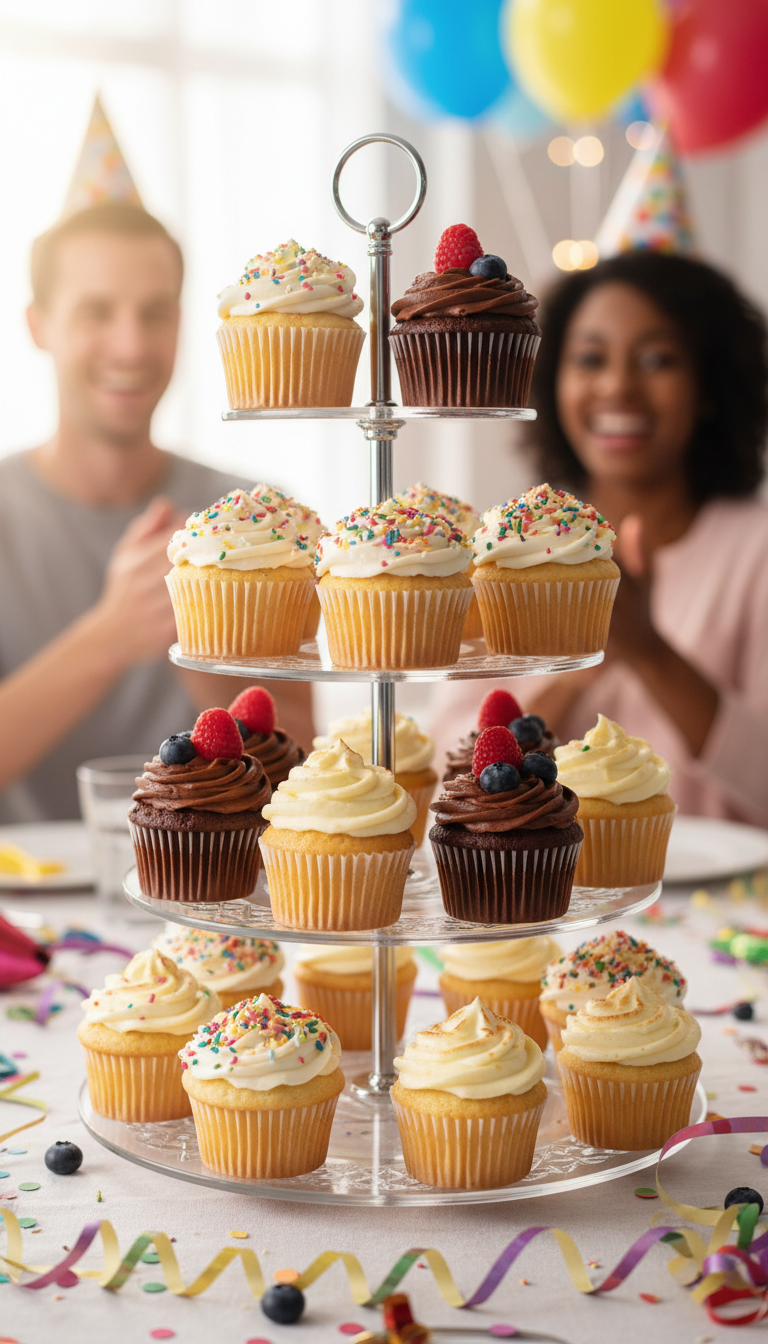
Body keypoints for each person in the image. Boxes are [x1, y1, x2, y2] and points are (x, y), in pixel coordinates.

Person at [0, 203, 312, 822]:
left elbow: (305, 772)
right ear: (38, 325)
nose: (131, 344)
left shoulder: (255, 523)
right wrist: (111, 636)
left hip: (213, 893)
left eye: (155, 313)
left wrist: (208, 660)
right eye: (96, 312)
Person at [433, 251, 768, 826]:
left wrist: (649, 650)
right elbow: (450, 770)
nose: (617, 386)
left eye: (657, 359)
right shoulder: (499, 551)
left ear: (710, 385)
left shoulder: (755, 549)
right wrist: (585, 663)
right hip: (538, 890)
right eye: (590, 358)